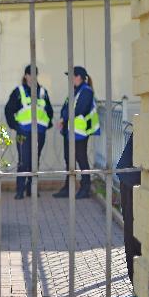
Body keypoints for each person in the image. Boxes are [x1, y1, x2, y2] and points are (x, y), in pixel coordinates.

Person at [4, 65, 54, 200]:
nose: (32, 77)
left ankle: (32, 189)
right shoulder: (18, 91)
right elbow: (8, 110)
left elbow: (49, 111)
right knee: (23, 161)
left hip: (39, 132)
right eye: (30, 74)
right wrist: (15, 126)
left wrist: (47, 124)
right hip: (23, 132)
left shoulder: (43, 91)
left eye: (35, 74)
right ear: (26, 75)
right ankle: (20, 190)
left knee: (35, 161)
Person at [53, 66, 100, 199]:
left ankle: (85, 188)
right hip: (69, 131)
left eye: (71, 76)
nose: (70, 79)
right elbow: (65, 107)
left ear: (78, 76)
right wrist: (63, 117)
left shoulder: (86, 91)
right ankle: (68, 188)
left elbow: (80, 109)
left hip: (80, 132)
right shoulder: (74, 91)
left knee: (81, 159)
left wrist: (64, 118)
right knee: (69, 160)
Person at [117, 132, 141, 283]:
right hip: (135, 178)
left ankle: (136, 282)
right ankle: (137, 283)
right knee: (135, 235)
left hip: (131, 174)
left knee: (133, 233)